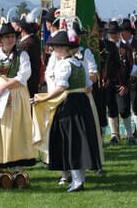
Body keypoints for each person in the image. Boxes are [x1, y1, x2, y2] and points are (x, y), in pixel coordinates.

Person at [34, 30, 102, 193]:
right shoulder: (79, 63)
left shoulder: (64, 64)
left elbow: (62, 87)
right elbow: (89, 86)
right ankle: (80, 178)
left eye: (55, 48)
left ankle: (77, 180)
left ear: (64, 49)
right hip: (82, 103)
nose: (53, 51)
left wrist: (43, 99)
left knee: (70, 140)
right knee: (81, 139)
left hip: (70, 104)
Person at [0, 22, 37, 169]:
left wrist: (4, 86)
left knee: (15, 128)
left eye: (13, 36)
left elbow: (24, 75)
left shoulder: (22, 55)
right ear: (0, 39)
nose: (11, 39)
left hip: (16, 94)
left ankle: (16, 165)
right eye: (7, 37)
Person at [106, 20, 134, 144]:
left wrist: (127, 85)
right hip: (109, 84)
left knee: (124, 110)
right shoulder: (104, 48)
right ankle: (114, 135)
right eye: (112, 33)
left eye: (116, 33)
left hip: (122, 84)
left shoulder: (125, 48)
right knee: (111, 110)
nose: (114, 36)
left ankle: (129, 134)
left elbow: (132, 68)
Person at [120, 18, 137, 139]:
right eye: (121, 31)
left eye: (124, 31)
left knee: (136, 105)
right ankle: (128, 132)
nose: (122, 34)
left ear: (129, 32)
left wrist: (136, 77)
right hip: (123, 81)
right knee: (124, 108)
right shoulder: (120, 46)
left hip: (136, 80)